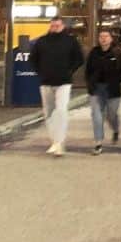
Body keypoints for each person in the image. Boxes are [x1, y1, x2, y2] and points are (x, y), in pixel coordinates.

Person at [29, 17, 84, 157]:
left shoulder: (70, 41)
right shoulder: (42, 41)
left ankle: (59, 142)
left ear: (63, 26)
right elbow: (33, 59)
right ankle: (54, 141)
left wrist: (69, 70)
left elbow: (79, 58)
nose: (55, 28)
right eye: (53, 26)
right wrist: (40, 72)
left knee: (61, 111)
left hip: (64, 81)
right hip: (46, 81)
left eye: (57, 26)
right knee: (48, 112)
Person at [85, 29, 121, 155]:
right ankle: (98, 142)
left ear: (111, 38)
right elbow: (88, 70)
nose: (103, 38)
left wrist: (116, 81)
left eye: (106, 36)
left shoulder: (118, 52)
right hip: (96, 89)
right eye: (101, 36)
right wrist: (90, 82)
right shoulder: (94, 52)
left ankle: (115, 129)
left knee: (111, 115)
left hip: (112, 90)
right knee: (97, 116)